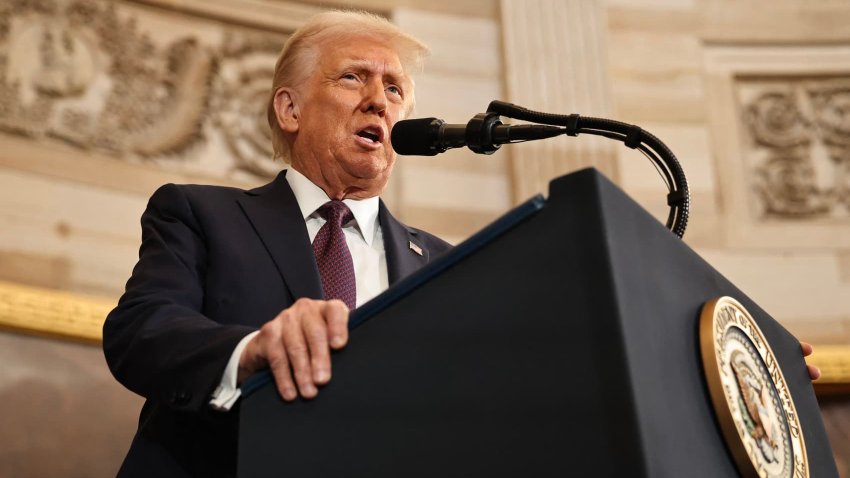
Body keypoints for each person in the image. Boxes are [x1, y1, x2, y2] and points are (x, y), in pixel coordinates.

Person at [103, 10, 451, 477]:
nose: (377, 102)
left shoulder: (443, 265)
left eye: (394, 89)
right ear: (290, 110)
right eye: (353, 77)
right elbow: (142, 330)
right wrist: (249, 352)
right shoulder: (200, 215)